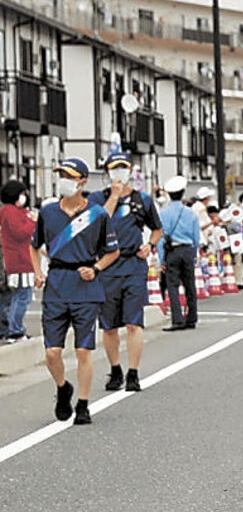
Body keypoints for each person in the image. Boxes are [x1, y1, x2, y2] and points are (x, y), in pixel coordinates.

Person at [31, 158, 120, 424]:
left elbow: (112, 251)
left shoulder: (97, 214)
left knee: (83, 350)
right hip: (57, 285)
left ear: (82, 181)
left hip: (85, 288)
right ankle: (62, 388)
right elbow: (34, 245)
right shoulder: (48, 213)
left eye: (69, 176)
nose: (64, 181)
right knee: (52, 352)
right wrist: (37, 271)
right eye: (60, 175)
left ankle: (82, 404)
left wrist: (96, 268)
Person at [90, 152, 163, 393]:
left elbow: (157, 229)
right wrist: (113, 195)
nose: (119, 172)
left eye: (123, 168)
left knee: (134, 322)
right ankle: (115, 369)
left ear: (130, 170)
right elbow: (97, 222)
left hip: (133, 265)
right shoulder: (96, 199)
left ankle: (133, 372)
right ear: (107, 172)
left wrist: (149, 246)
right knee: (109, 325)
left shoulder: (142, 200)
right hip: (107, 267)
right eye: (114, 168)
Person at [157, 176, 202, 331]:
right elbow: (197, 236)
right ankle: (192, 318)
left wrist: (161, 259)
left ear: (169, 194)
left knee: (173, 286)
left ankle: (177, 320)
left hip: (172, 252)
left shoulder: (163, 213)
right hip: (188, 250)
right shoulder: (191, 213)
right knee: (190, 285)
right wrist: (195, 252)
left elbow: (160, 238)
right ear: (183, 193)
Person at [1, 179, 37, 342]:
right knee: (23, 296)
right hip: (19, 260)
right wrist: (32, 221)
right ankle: (15, 329)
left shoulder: (13, 211)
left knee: (15, 297)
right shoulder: (10, 212)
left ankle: (11, 328)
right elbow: (20, 233)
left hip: (19, 259)